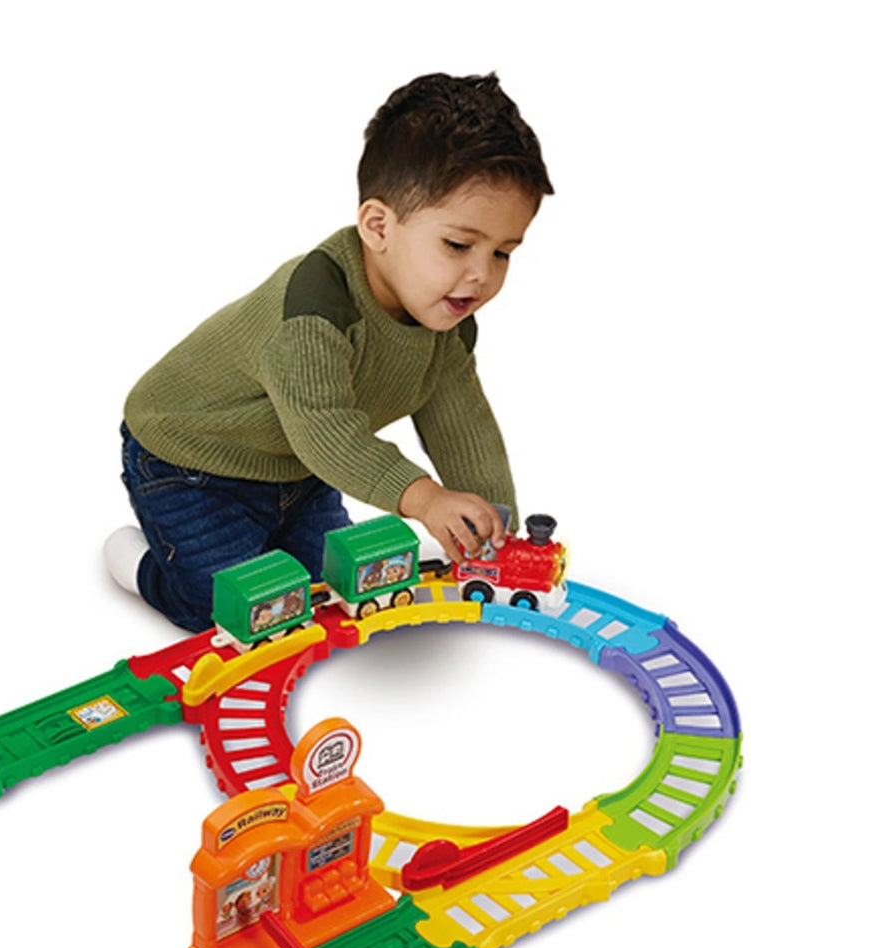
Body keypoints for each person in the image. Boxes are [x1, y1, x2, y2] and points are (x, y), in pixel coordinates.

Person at [106, 71, 553, 632]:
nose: (481, 276)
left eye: (504, 253)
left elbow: (463, 426)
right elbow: (326, 432)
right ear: (377, 226)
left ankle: (265, 539)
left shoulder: (448, 323)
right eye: (458, 245)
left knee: (340, 588)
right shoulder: (315, 309)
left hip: (298, 472)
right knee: (234, 615)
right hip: (192, 463)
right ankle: (144, 567)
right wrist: (424, 498)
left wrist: (495, 529)